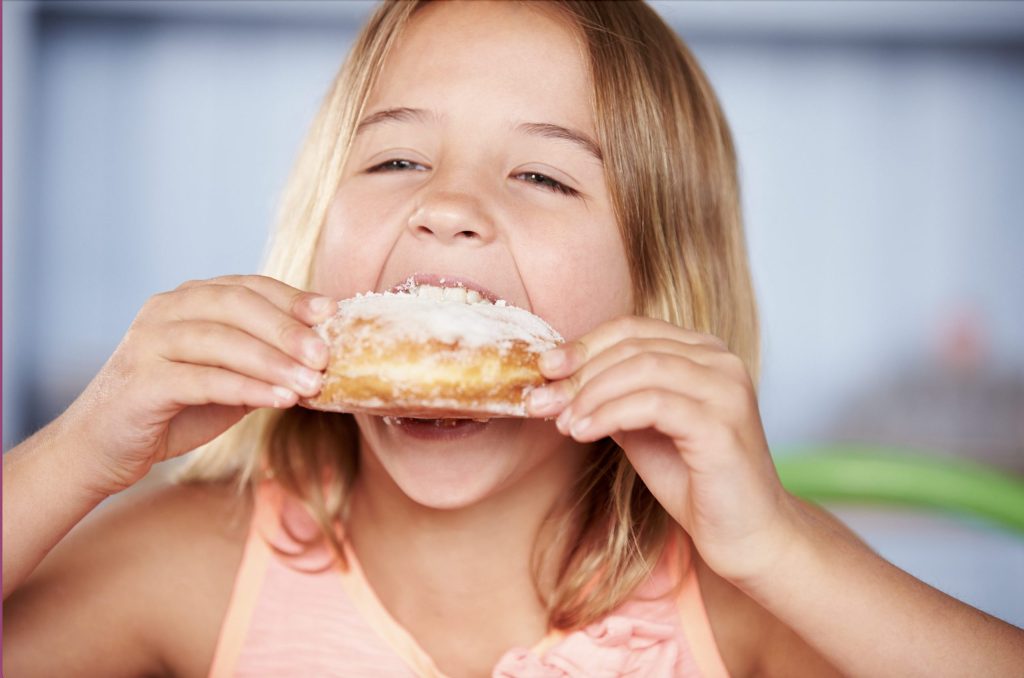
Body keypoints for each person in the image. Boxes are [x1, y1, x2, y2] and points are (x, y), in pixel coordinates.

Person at [4, 1, 1022, 676]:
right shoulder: (198, 565)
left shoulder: (742, 598)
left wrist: (776, 546)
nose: (449, 207)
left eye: (542, 175)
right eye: (397, 158)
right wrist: (81, 452)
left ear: (657, 288)